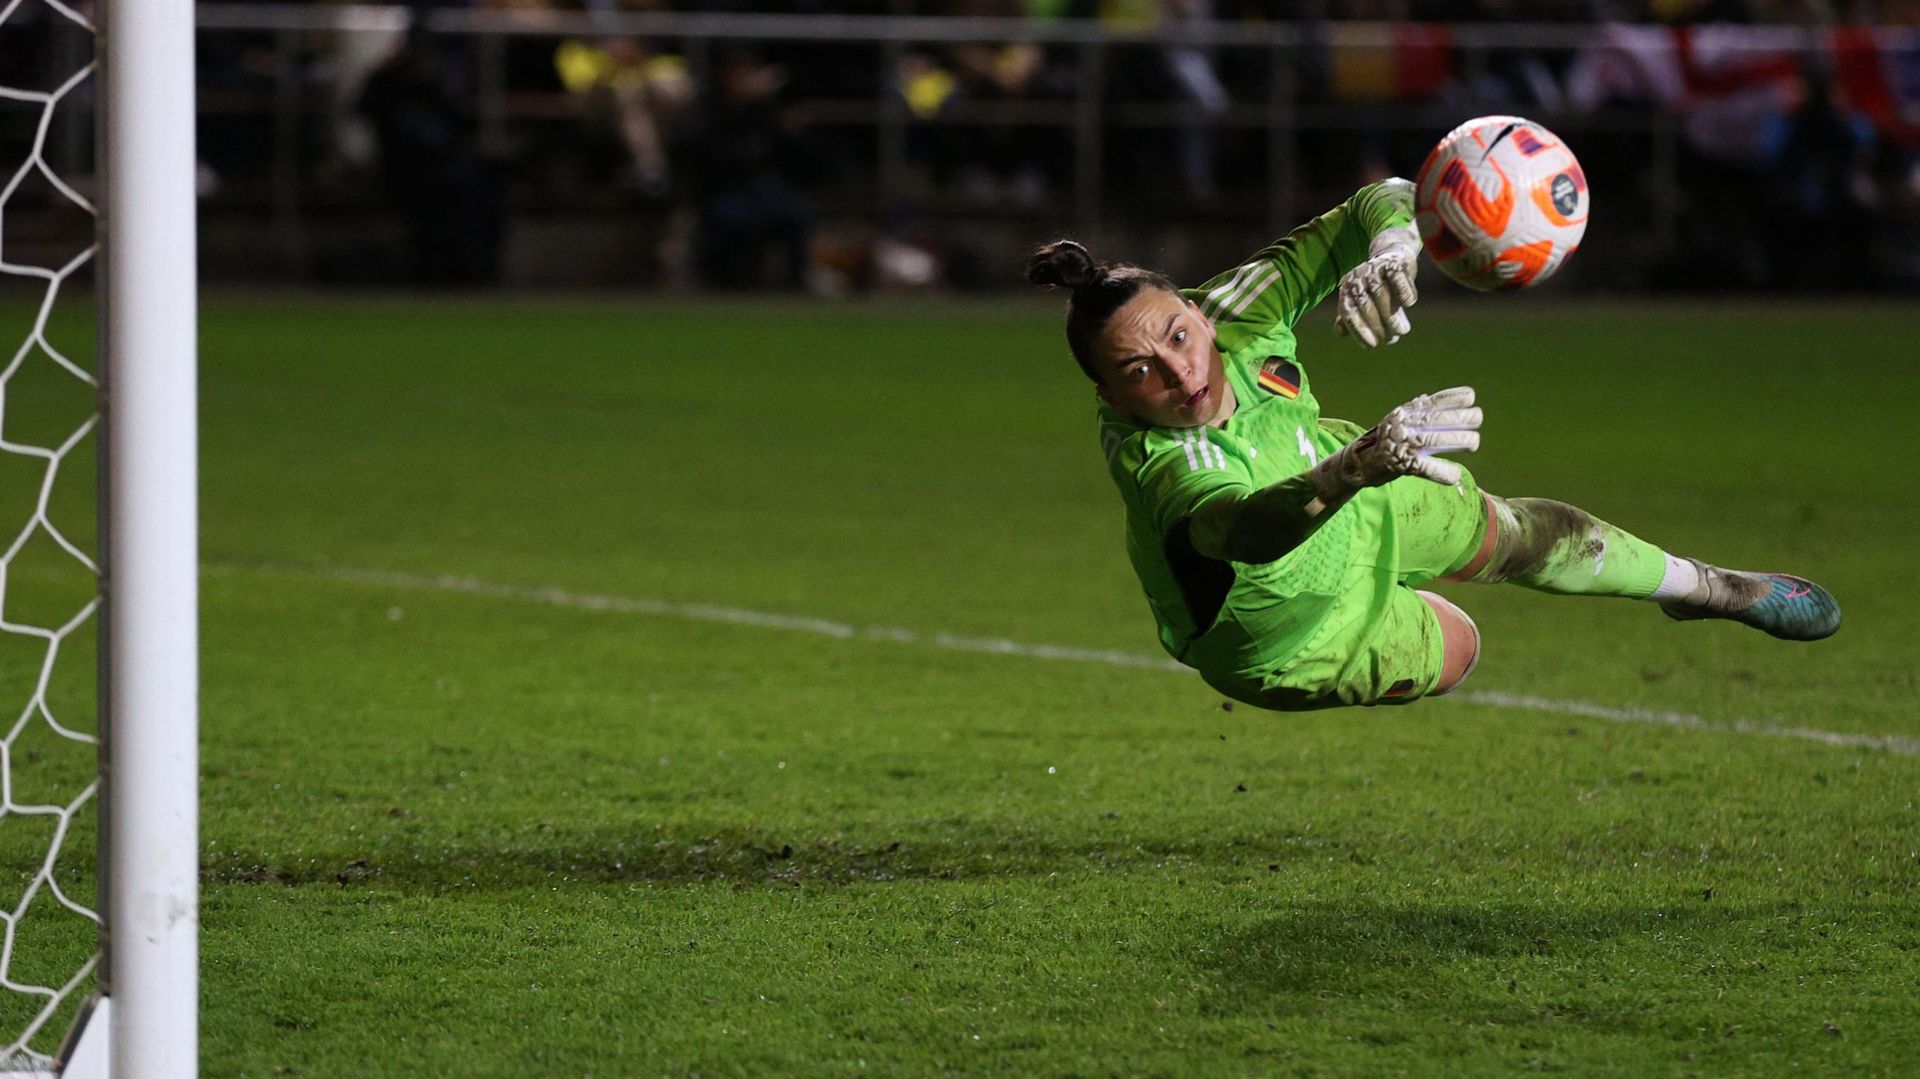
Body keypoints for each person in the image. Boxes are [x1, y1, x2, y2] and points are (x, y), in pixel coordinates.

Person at [1026, 178, 1841, 712]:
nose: (1179, 369)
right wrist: (1351, 468)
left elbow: (1382, 196)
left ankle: (1705, 585)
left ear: (1200, 314)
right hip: (1284, 631)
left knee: (1513, 533)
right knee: (1460, 645)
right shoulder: (1165, 463)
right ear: (1110, 396)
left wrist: (1393, 247)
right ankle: (1403, 593)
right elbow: (1244, 531)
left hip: (1361, 480)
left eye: (1178, 334)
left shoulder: (1236, 310)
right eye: (1140, 370)